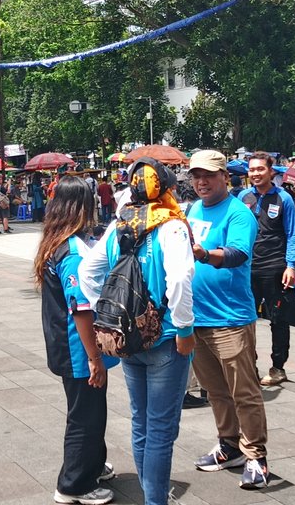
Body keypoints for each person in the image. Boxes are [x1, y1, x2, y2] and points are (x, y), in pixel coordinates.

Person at [78, 158, 195, 505]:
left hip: (127, 339)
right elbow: (179, 279)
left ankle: (151, 493)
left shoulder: (118, 227)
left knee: (141, 423)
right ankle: (155, 500)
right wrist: (185, 327)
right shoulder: (171, 226)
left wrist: (109, 308)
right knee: (160, 429)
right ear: (167, 190)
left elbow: (88, 271)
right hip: (165, 340)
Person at [185, 150, 271, 490]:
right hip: (198, 316)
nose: (201, 182)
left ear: (225, 177)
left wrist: (205, 254)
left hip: (230, 318)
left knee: (244, 391)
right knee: (215, 390)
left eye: (208, 175)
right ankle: (229, 445)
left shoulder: (239, 214)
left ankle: (256, 456)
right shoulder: (192, 209)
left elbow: (237, 255)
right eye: (196, 176)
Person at [36, 177, 118, 505]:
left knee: (91, 410)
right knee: (85, 415)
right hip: (77, 348)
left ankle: (91, 465)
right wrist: (94, 358)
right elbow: (80, 307)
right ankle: (74, 485)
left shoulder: (60, 241)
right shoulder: (70, 250)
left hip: (70, 345)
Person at [241, 151, 295, 386]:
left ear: (271, 171)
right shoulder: (244, 198)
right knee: (245, 319)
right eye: (252, 169)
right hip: (248, 268)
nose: (255, 173)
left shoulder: (284, 199)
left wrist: (291, 265)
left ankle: (278, 367)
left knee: (279, 319)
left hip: (276, 268)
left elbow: (292, 234)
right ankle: (249, 365)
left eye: (260, 169)